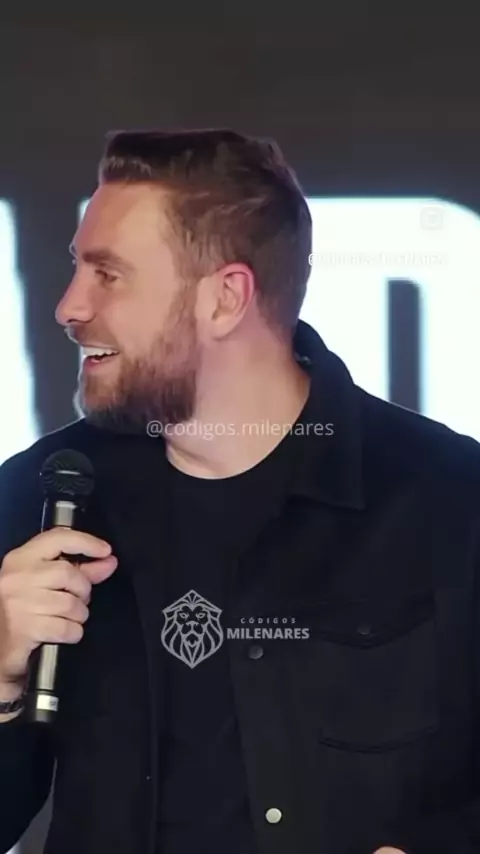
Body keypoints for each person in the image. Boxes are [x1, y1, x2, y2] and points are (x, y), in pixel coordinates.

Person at [0, 128, 479, 854]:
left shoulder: (448, 500)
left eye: (109, 275)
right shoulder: (40, 498)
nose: (69, 306)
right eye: (76, 268)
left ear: (225, 299)